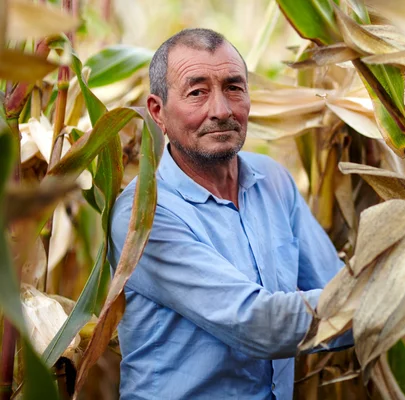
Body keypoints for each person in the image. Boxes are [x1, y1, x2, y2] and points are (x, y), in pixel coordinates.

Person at [108, 28, 351, 400]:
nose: (221, 111)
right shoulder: (144, 215)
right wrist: (393, 292)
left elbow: (338, 290)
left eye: (234, 88)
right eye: (197, 92)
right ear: (158, 112)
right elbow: (258, 324)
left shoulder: (273, 181)